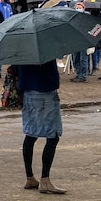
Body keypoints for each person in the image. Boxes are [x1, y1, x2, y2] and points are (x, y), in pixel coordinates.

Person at [18, 60, 66, 194]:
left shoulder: (23, 50)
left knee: (30, 135)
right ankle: (45, 179)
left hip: (28, 92)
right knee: (53, 136)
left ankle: (30, 176)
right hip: (45, 91)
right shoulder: (45, 50)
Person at [69, 2, 90, 83]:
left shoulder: (87, 17)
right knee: (75, 59)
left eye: (80, 7)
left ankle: (83, 76)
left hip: (84, 41)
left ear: (83, 8)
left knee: (83, 59)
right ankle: (79, 73)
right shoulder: (72, 17)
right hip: (75, 41)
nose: (78, 9)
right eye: (77, 7)